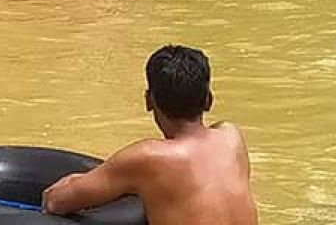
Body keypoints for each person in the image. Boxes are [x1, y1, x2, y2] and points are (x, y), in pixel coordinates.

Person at [43, 45, 258, 225]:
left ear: (148, 101)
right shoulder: (232, 138)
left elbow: (56, 201)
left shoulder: (148, 158)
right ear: (209, 100)